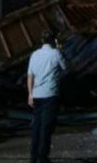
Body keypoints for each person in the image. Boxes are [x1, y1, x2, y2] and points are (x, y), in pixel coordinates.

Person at [27, 30, 67, 163]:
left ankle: (33, 157)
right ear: (54, 41)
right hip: (50, 94)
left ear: (42, 40)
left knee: (36, 127)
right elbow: (67, 67)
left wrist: (30, 94)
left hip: (36, 95)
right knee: (46, 128)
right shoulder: (56, 53)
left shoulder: (35, 54)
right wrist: (61, 50)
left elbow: (30, 76)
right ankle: (42, 157)